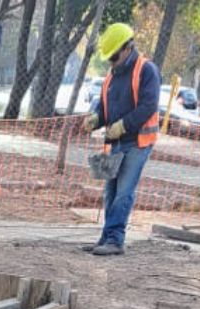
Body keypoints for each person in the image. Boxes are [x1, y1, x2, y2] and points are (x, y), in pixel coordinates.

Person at [81, 23, 160, 256]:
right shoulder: (112, 76)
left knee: (124, 191)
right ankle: (106, 237)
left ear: (127, 48)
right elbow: (104, 106)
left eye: (114, 56)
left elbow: (148, 105)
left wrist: (124, 125)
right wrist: (96, 119)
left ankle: (115, 240)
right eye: (109, 59)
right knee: (110, 191)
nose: (112, 62)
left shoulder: (146, 70)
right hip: (115, 143)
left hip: (138, 142)